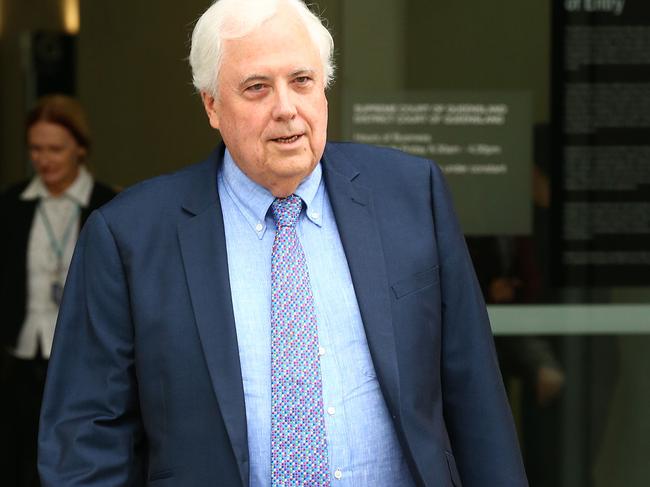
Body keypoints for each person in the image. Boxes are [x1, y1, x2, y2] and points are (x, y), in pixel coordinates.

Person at [38, 1, 528, 485]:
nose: (286, 108)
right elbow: (85, 440)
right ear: (211, 104)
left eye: (302, 81)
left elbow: (477, 401)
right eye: (257, 88)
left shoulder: (411, 194)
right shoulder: (129, 237)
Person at [0, 94, 115, 487]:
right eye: (35, 149)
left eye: (55, 149)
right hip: (22, 356)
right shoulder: (11, 205)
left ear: (79, 149)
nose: (44, 159)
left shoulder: (108, 204)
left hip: (84, 362)